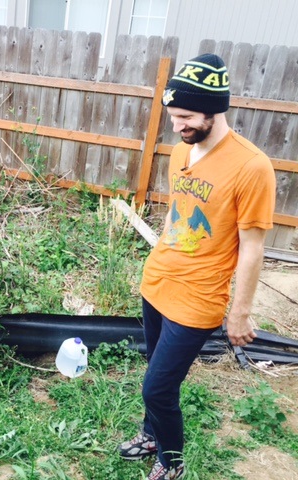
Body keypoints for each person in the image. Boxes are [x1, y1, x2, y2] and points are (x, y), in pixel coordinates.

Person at [118, 54, 276, 479]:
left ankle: (172, 463)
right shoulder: (180, 150)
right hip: (159, 284)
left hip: (199, 298)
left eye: (185, 116)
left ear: (214, 110)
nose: (177, 125)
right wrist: (160, 255)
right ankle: (152, 433)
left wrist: (239, 312)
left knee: (158, 387)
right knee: (155, 373)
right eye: (173, 116)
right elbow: (177, 211)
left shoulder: (251, 166)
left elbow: (252, 247)